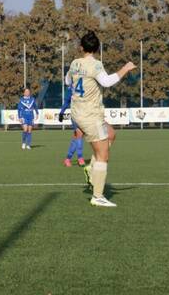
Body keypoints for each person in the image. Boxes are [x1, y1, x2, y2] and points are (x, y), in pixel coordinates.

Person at [65, 31, 136, 207]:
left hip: (78, 112)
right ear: (97, 49)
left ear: (81, 47)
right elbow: (106, 82)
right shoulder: (96, 65)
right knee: (103, 154)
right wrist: (125, 69)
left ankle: (91, 168)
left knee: (111, 134)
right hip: (90, 115)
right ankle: (97, 196)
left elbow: (68, 81)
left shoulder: (75, 63)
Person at [59, 85, 85, 167]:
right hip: (76, 114)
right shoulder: (71, 89)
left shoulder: (86, 85)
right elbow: (66, 102)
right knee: (79, 134)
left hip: (85, 114)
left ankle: (67, 159)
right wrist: (61, 113)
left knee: (76, 137)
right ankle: (80, 158)